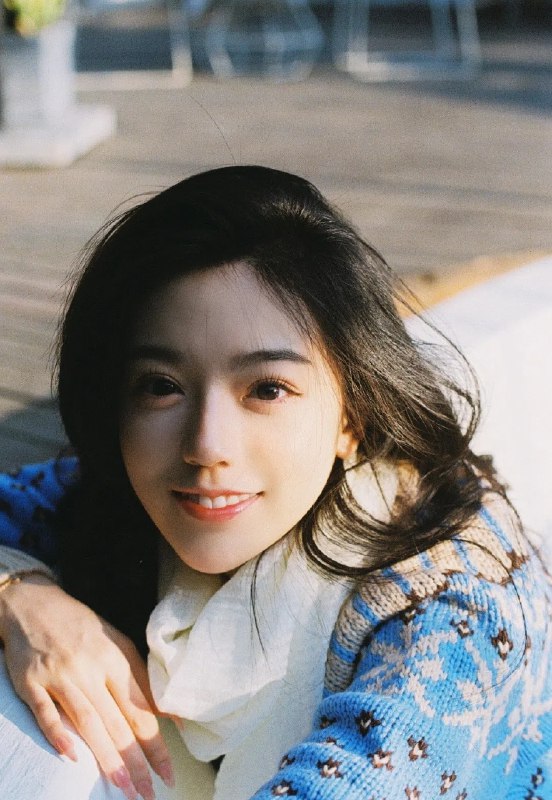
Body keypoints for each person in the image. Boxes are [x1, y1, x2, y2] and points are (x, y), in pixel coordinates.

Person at [0, 165, 551, 800]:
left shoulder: (452, 611)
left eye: (267, 389)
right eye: (160, 386)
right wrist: (23, 597)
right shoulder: (115, 497)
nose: (207, 446)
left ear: (352, 417)